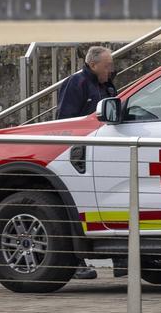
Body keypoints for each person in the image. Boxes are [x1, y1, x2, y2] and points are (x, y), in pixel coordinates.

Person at [55, 45, 117, 280]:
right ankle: (75, 261)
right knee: (76, 206)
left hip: (104, 153)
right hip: (80, 155)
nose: (111, 69)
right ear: (93, 65)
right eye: (107, 65)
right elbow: (65, 121)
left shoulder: (106, 85)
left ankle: (121, 259)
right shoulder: (77, 83)